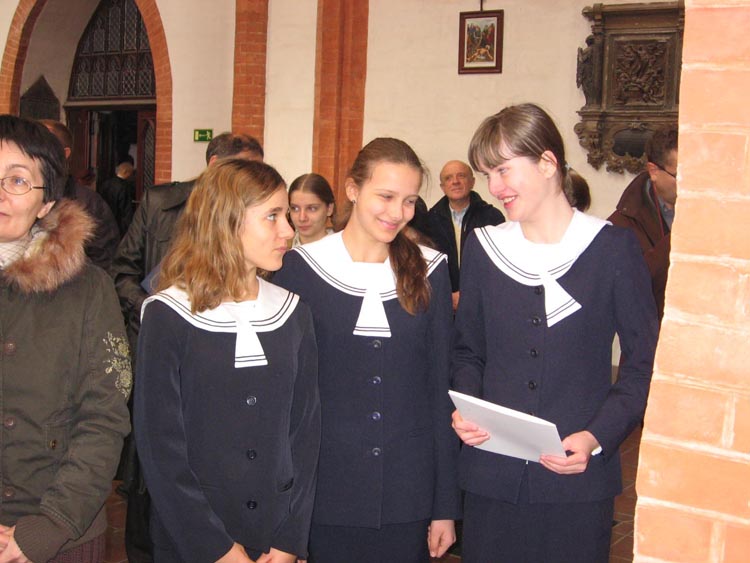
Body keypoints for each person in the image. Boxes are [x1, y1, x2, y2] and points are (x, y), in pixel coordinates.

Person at [450, 104, 658, 563]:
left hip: (575, 479)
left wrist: (596, 436)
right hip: (492, 476)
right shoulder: (484, 248)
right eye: (487, 174)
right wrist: (466, 407)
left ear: (547, 163)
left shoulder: (612, 248)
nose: (494, 188)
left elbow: (644, 363)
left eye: (503, 170)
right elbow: (468, 351)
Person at [274, 138, 460, 563]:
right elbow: (286, 399)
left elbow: (440, 392)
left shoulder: (431, 270)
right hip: (324, 490)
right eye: (386, 196)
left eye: (409, 201)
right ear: (353, 190)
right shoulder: (298, 271)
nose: (398, 212)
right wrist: (286, 514)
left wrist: (444, 506)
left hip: (408, 492)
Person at [134, 159, 320, 563]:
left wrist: (290, 539)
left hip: (274, 534)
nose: (288, 230)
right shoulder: (168, 314)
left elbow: (305, 433)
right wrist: (214, 548)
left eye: (286, 215)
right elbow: (159, 445)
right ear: (226, 221)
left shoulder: (293, 312)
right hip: (192, 538)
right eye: (272, 216)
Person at [111, 131, 264, 563]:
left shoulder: (249, 218)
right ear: (215, 166)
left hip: (217, 352)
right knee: (151, 466)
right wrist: (157, 310)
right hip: (158, 344)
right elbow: (122, 271)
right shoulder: (160, 203)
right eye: (242, 169)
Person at [0, 114, 131, 562]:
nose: (0, 191)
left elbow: (104, 417)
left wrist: (51, 525)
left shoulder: (88, 289)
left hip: (59, 528)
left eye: (18, 180)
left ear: (46, 203)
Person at [608, 126, 677, 319]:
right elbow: (630, 290)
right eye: (679, 176)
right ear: (654, 171)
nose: (691, 184)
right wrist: (680, 233)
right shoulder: (621, 225)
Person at [40, 119, 120, 270]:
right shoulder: (12, 196)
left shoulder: (88, 204)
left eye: (41, 145)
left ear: (64, 153)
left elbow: (105, 262)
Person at [427, 159, 504, 310]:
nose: (455, 181)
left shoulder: (492, 217)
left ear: (472, 182)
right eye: (448, 178)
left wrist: (470, 294)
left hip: (483, 303)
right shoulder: (429, 221)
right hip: (442, 304)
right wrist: (446, 295)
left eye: (461, 176)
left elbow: (498, 265)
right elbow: (425, 267)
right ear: (442, 187)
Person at [288, 173, 334, 246]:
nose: (302, 218)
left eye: (312, 208)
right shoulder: (282, 247)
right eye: (295, 208)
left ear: (329, 209)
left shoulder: (343, 248)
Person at [98, 160, 136, 237]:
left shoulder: (106, 183)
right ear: (126, 172)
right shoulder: (124, 187)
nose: (132, 177)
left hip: (104, 221)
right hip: (118, 224)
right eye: (131, 173)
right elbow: (126, 210)